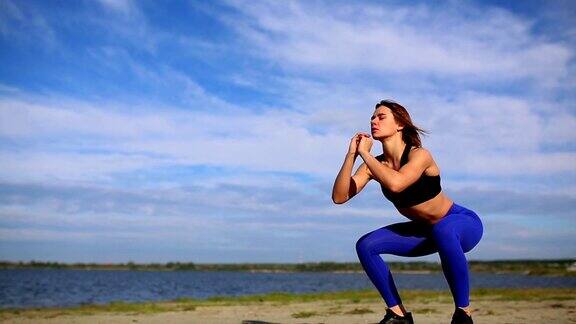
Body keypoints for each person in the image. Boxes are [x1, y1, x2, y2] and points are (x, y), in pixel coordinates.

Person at [332, 100, 483, 324]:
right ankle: (398, 314)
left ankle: (463, 313)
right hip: (426, 232)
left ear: (400, 124)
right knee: (366, 245)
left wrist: (366, 155)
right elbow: (339, 197)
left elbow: (397, 183)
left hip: (460, 224)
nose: (374, 121)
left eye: (381, 117)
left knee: (443, 228)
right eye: (372, 117)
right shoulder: (375, 164)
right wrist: (351, 155)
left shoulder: (419, 155)